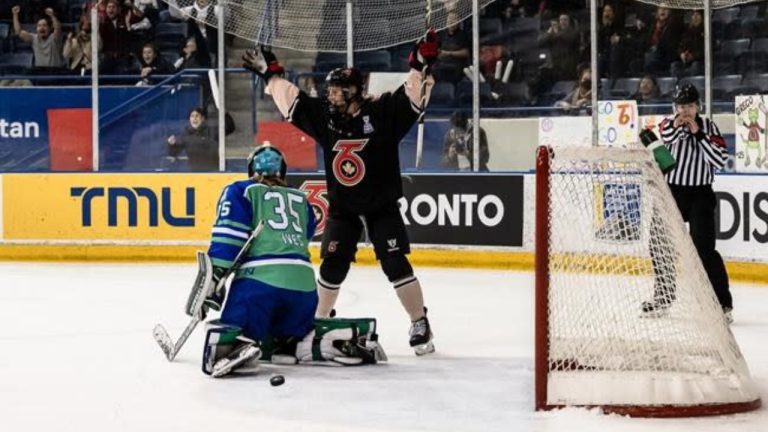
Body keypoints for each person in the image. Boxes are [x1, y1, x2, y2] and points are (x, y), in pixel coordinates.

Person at [241, 33, 439, 355]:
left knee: (395, 264)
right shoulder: (325, 117)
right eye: (329, 90)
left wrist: (419, 64)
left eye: (335, 91)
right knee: (332, 266)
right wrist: (272, 74)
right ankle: (316, 322)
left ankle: (419, 321)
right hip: (343, 208)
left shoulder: (383, 114)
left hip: (381, 206)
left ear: (353, 93)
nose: (329, 96)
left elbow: (413, 97)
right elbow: (293, 102)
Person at [200, 144, 384, 377]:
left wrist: (215, 280)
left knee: (228, 330)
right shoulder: (300, 198)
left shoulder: (241, 190)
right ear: (283, 171)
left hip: (259, 288)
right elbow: (302, 237)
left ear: (250, 170)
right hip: (304, 291)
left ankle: (236, 344)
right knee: (285, 335)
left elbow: (228, 239)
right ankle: (300, 339)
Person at [643, 83, 733, 323]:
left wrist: (699, 135)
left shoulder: (710, 127)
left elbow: (720, 159)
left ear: (698, 107)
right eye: (681, 106)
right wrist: (680, 126)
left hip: (701, 194)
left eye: (690, 106)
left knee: (704, 250)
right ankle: (663, 297)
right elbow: (667, 137)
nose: (685, 111)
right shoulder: (667, 124)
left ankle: (722, 303)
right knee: (659, 243)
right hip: (672, 192)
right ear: (675, 107)